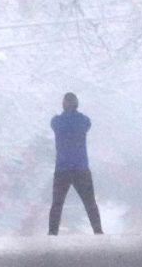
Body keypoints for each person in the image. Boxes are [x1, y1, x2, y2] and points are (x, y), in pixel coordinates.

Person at [48, 92, 104, 235]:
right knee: (90, 203)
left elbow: (53, 123)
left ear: (63, 104)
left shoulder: (57, 122)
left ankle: (52, 233)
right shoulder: (83, 121)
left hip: (62, 168)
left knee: (57, 204)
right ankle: (98, 231)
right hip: (81, 168)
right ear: (76, 104)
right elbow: (87, 123)